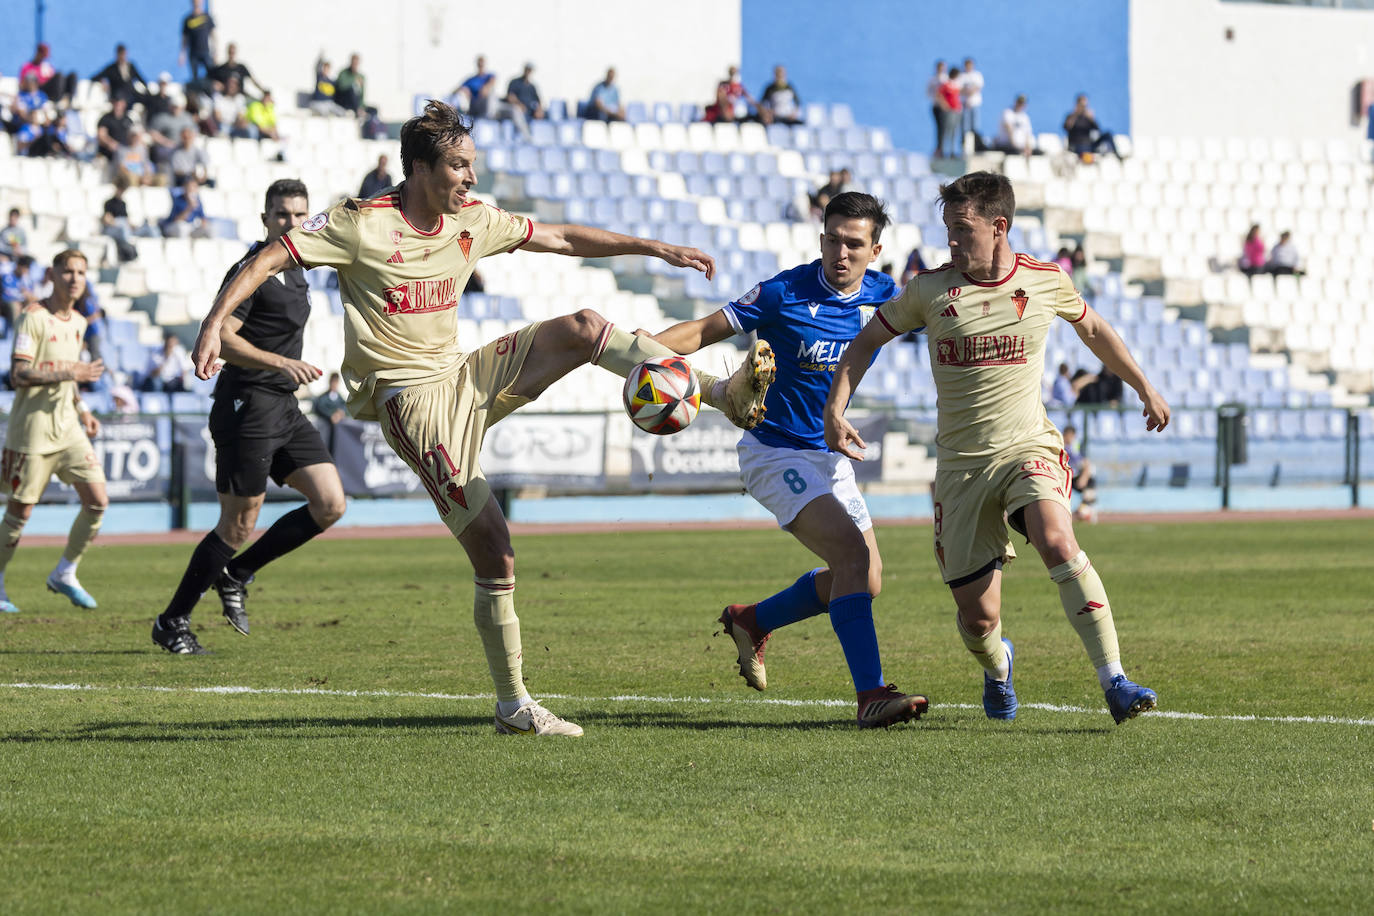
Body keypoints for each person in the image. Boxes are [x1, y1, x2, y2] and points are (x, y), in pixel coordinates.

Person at [189, 100, 775, 736]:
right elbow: (268, 258)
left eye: (472, 165)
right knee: (496, 555)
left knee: (582, 327)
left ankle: (722, 394)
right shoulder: (361, 224)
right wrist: (214, 325)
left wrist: (649, 247)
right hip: (412, 405)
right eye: (459, 165)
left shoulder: (471, 219)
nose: (470, 177)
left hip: (466, 376)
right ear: (419, 168)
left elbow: (560, 238)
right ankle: (514, 705)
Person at [825, 171, 1168, 725]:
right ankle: (998, 668)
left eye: (962, 230)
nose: (951, 242)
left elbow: (1095, 329)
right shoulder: (929, 291)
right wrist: (835, 410)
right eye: (947, 230)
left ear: (998, 226)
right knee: (980, 619)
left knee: (1058, 539)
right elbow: (866, 342)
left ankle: (1115, 681)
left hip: (1028, 446)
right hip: (962, 469)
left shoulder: (1044, 281)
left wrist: (1144, 386)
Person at [647, 192, 927, 729]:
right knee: (848, 554)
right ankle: (871, 695)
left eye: (854, 243)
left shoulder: (884, 295)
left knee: (866, 580)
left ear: (875, 249)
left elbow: (935, 304)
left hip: (830, 455)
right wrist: (638, 353)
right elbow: (705, 331)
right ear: (820, 238)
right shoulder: (784, 292)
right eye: (832, 240)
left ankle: (752, 621)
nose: (840, 252)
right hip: (773, 451)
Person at [153, 179, 347, 655]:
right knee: (237, 524)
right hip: (246, 404)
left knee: (330, 504)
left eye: (300, 215)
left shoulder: (299, 269)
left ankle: (237, 573)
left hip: (285, 406)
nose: (292, 223)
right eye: (282, 215)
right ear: (266, 220)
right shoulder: (252, 270)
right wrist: (280, 362)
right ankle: (172, 621)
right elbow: (224, 336)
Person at [0, 249, 108, 614]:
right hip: (31, 432)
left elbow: (71, 381)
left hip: (69, 429)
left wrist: (83, 409)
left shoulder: (78, 321)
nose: (74, 278)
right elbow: (19, 375)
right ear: (52, 274)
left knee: (97, 500)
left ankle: (65, 572)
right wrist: (71, 373)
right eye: (67, 271)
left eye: (81, 272)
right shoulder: (33, 318)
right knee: (20, 513)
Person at [19, 42, 77, 109]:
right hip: (40, 90)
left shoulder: (46, 66)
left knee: (72, 75)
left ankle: (69, 100)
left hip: (52, 88)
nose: (44, 58)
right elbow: (22, 84)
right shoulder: (27, 66)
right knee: (59, 75)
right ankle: (57, 101)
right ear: (38, 53)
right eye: (43, 56)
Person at [1063, 94, 1119, 161]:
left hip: (1089, 144)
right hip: (1077, 145)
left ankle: (1117, 156)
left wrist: (1092, 119)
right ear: (1077, 104)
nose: (1084, 108)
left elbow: (1097, 129)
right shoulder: (1071, 116)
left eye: (1085, 106)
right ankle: (1088, 158)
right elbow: (1066, 127)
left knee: (1108, 134)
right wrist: (1075, 114)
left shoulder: (1087, 117)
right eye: (1082, 105)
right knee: (1085, 153)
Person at [1061, 425, 1098, 523]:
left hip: (1074, 477)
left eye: (1072, 436)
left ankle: (1084, 510)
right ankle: (1069, 514)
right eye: (1068, 435)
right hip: (1062, 477)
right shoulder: (1059, 447)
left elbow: (1086, 463)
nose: (1070, 438)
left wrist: (1084, 477)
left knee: (1091, 482)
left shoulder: (1076, 447)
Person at [502, 63, 543, 140]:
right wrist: (519, 105)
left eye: (530, 70)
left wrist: (539, 110)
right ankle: (527, 137)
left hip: (530, 113)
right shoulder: (515, 82)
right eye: (527, 69)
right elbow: (510, 96)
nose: (528, 72)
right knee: (517, 112)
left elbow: (538, 100)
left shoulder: (532, 87)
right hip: (519, 112)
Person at [180, 0, 217, 83]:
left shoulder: (207, 17)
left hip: (205, 51)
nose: (196, 3)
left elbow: (213, 35)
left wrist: (215, 51)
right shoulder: (188, 19)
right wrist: (182, 53)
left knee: (211, 74)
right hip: (193, 53)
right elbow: (185, 38)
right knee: (195, 77)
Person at [96, 96, 134, 161]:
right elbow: (101, 135)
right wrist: (111, 143)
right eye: (116, 103)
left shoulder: (127, 119)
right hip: (110, 151)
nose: (118, 106)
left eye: (120, 103)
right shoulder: (105, 118)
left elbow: (132, 135)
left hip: (125, 151)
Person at [938, 67, 964, 159]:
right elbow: (939, 95)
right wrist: (944, 105)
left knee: (954, 131)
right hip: (949, 111)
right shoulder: (946, 85)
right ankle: (945, 151)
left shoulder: (956, 85)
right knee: (947, 131)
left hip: (957, 110)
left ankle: (952, 151)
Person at [959, 57, 984, 149]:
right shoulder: (961, 76)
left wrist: (970, 92)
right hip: (964, 105)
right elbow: (958, 89)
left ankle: (975, 146)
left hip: (974, 104)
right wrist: (966, 92)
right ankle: (964, 146)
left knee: (975, 126)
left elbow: (978, 87)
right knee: (964, 127)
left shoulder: (977, 75)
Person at [925, 60, 947, 158]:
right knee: (939, 129)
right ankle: (939, 149)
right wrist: (938, 99)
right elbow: (928, 93)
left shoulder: (946, 79)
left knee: (945, 129)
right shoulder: (932, 80)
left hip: (946, 108)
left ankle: (944, 149)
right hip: (937, 107)